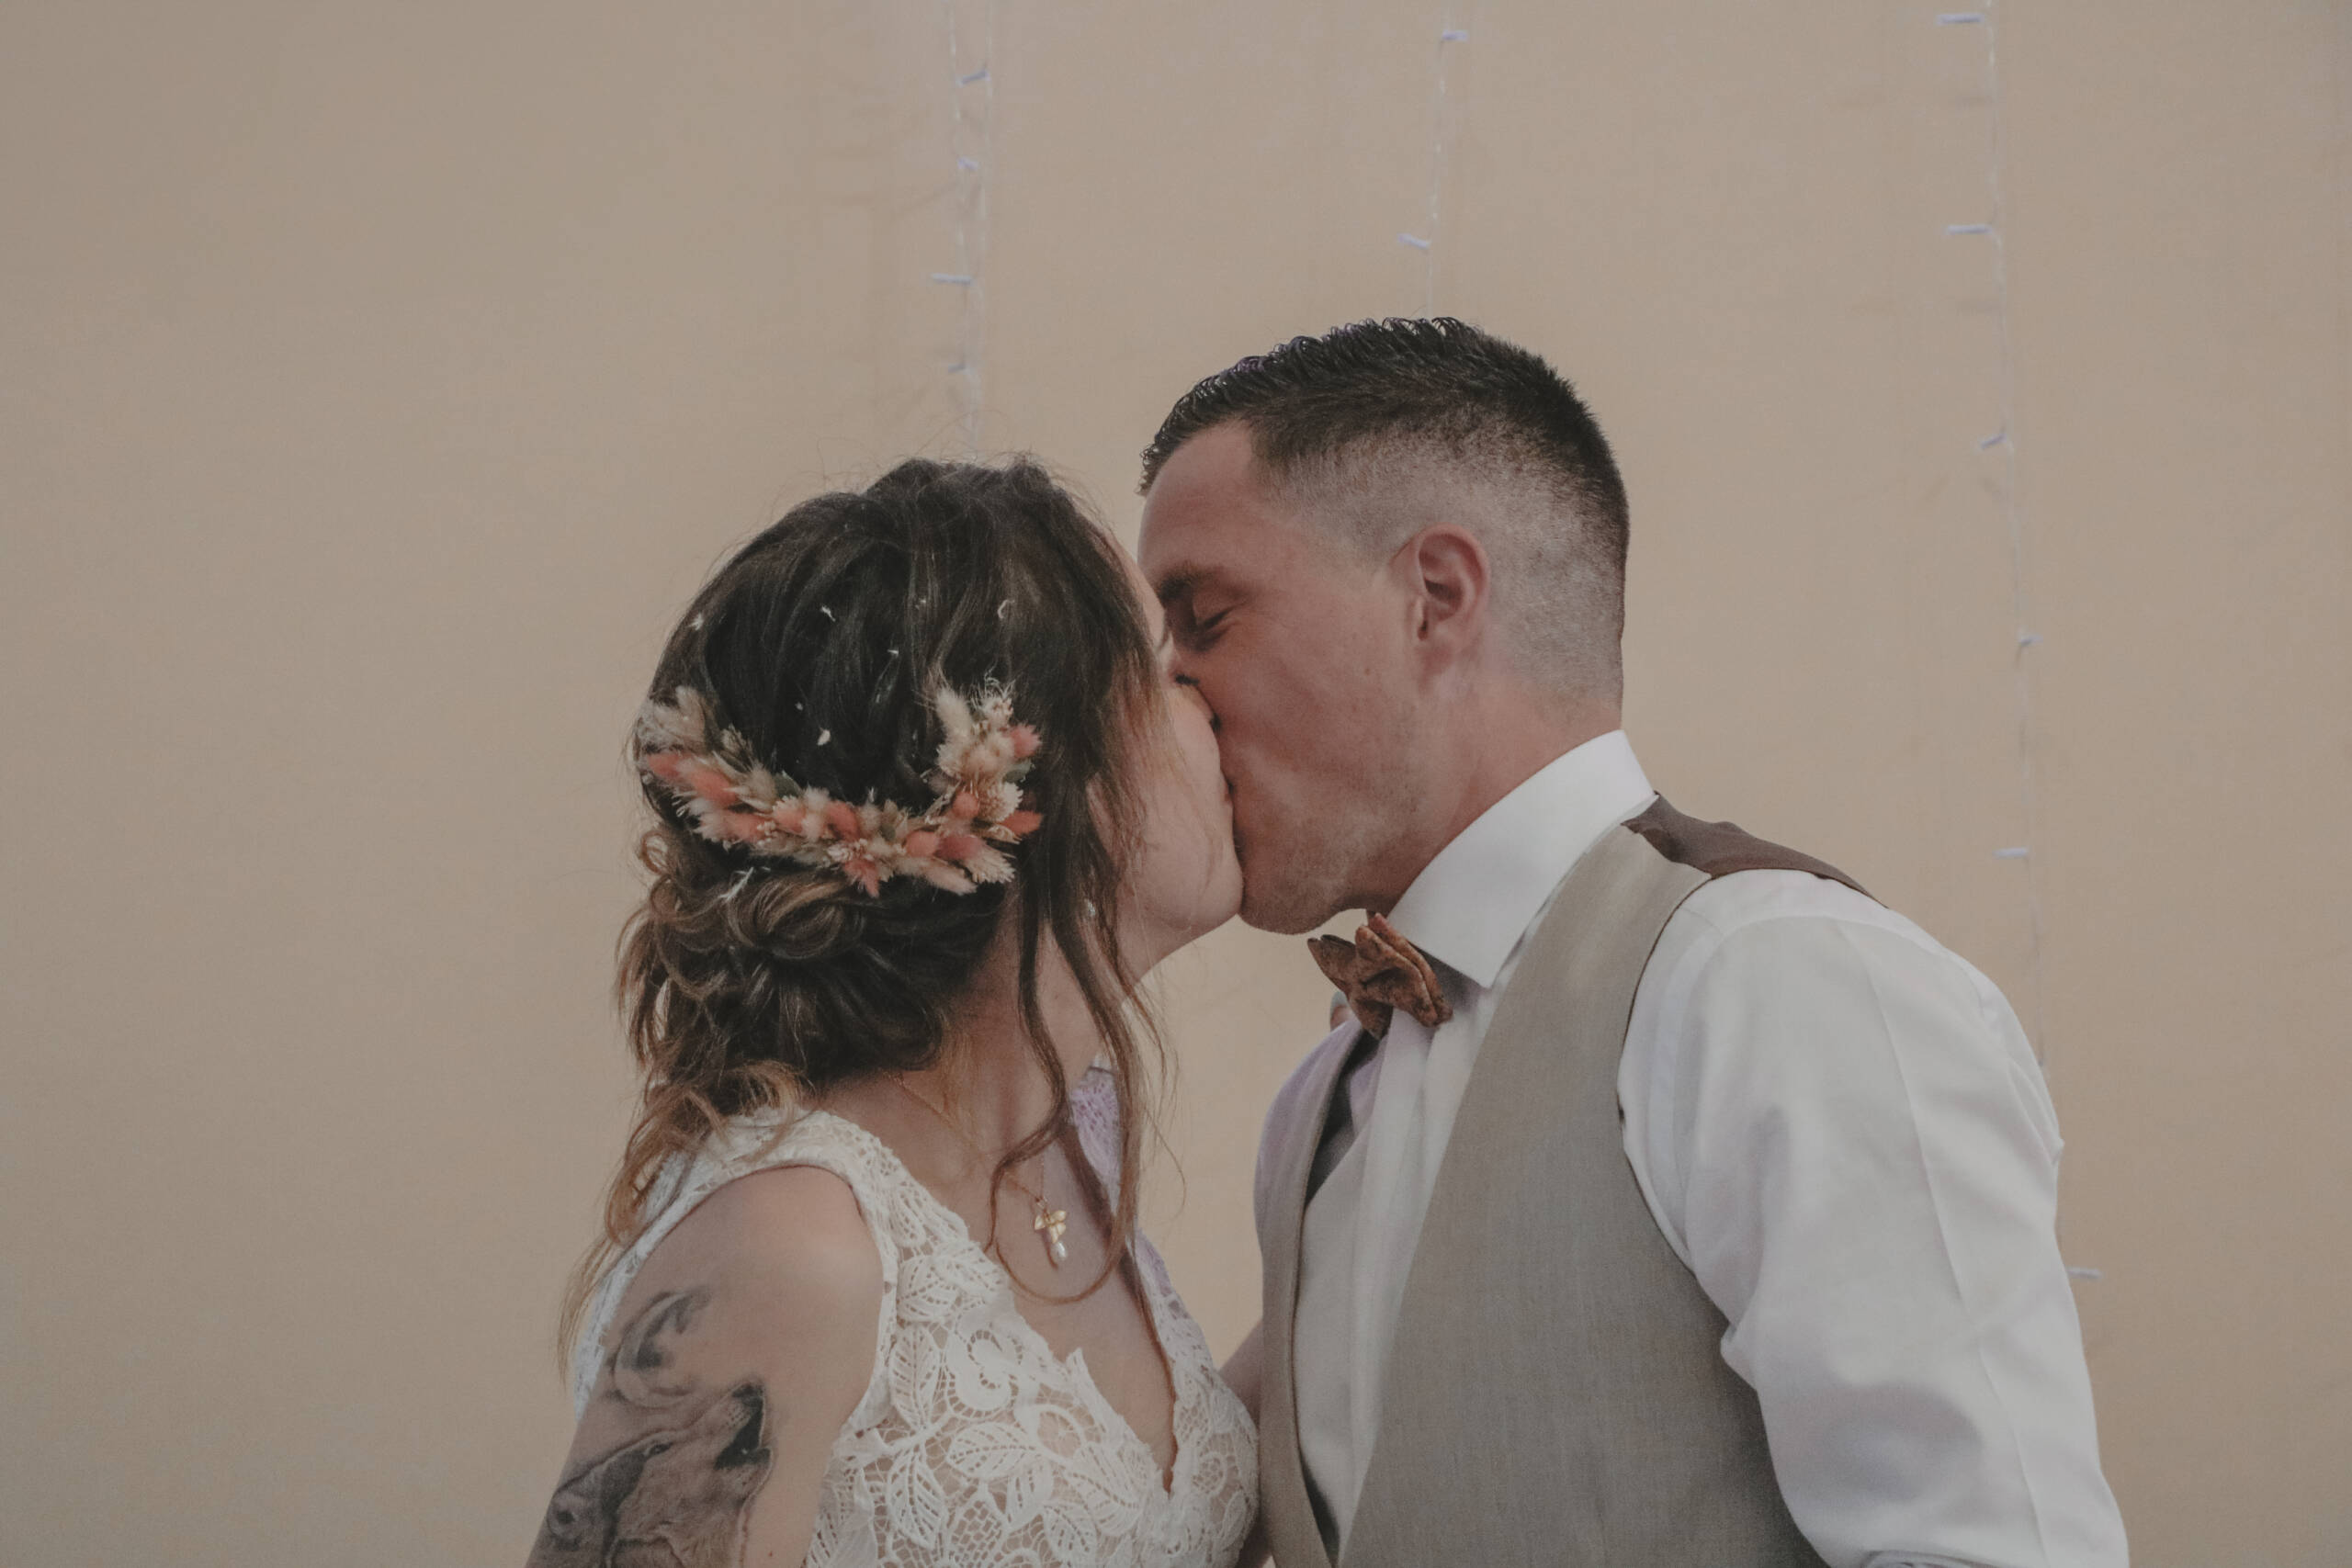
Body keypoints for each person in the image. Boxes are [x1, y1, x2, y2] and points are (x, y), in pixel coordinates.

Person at [1137, 319, 2130, 1568]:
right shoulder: (1318, 1101)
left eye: (1206, 619)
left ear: (1434, 597)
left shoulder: (1775, 985)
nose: (1172, 695)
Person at [527, 458, 1257, 1568]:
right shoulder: (793, 1245)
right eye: (1156, 676)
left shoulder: (1063, 1147)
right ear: (1051, 790)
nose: (1206, 704)